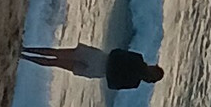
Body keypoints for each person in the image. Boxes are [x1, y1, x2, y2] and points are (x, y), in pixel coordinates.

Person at [20, 43, 164, 90]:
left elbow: (116, 53)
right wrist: (112, 71)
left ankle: (25, 50)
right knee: (57, 63)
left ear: (152, 68)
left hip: (100, 58)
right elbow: (112, 85)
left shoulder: (138, 59)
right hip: (98, 72)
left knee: (57, 54)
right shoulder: (134, 82)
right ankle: (25, 57)